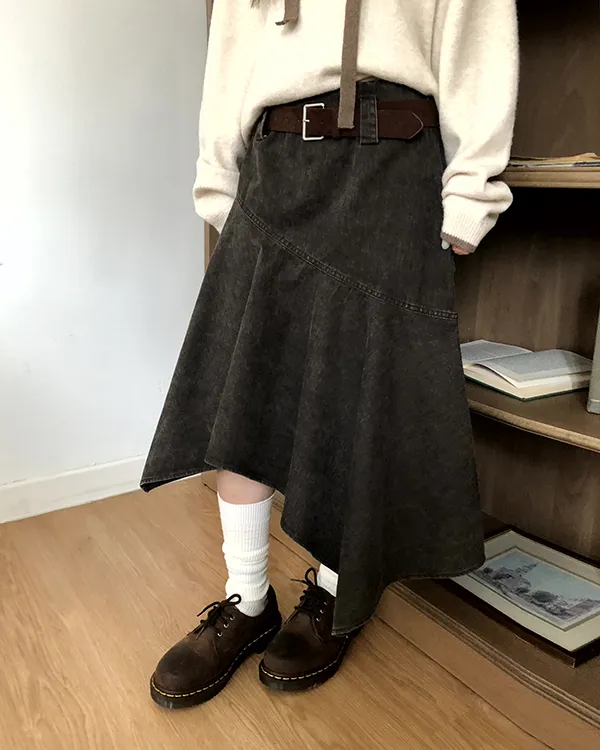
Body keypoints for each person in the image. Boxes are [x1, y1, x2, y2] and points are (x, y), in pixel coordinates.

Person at [141, 0, 519, 708]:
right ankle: (247, 599)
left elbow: (479, 31)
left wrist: (473, 189)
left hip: (395, 163)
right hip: (275, 167)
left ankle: (334, 592)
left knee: (358, 403)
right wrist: (219, 180)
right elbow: (233, 44)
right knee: (244, 395)